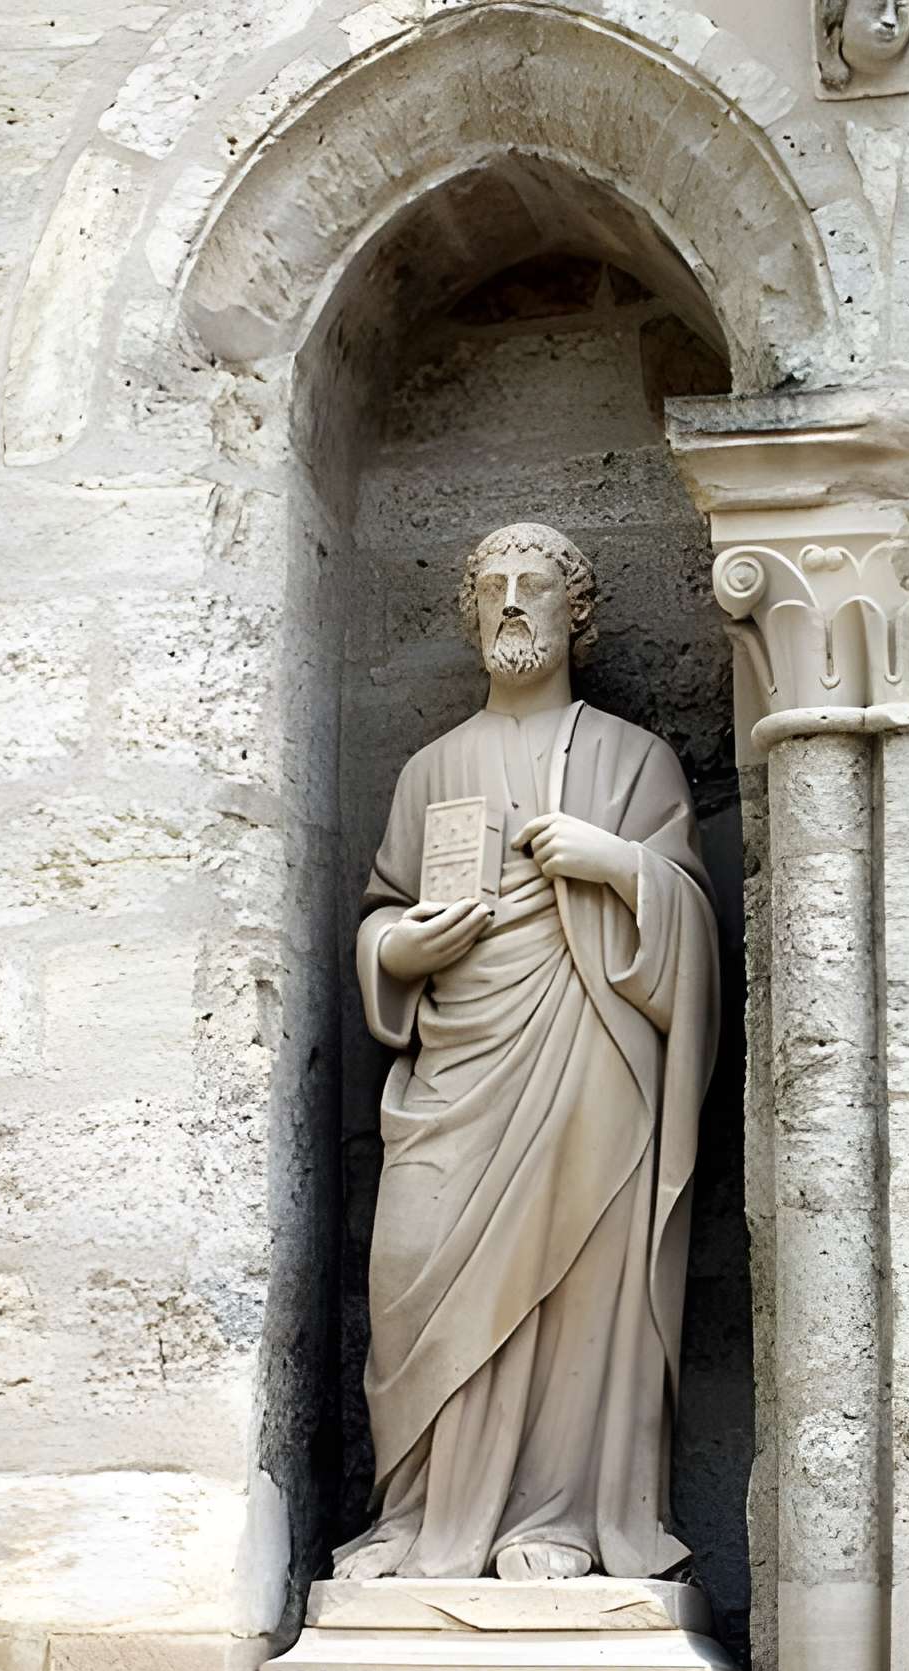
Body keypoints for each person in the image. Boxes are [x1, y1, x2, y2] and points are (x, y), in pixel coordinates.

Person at [330, 521, 719, 1583]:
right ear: (469, 614)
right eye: (491, 583)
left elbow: (690, 929)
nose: (510, 601)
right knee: (417, 1261)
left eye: (534, 584)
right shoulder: (428, 768)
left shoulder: (632, 760)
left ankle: (557, 1517)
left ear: (574, 613)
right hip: (456, 1072)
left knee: (574, 1287)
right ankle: (418, 1519)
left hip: (588, 1058)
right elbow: (380, 914)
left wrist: (619, 865)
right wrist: (398, 950)